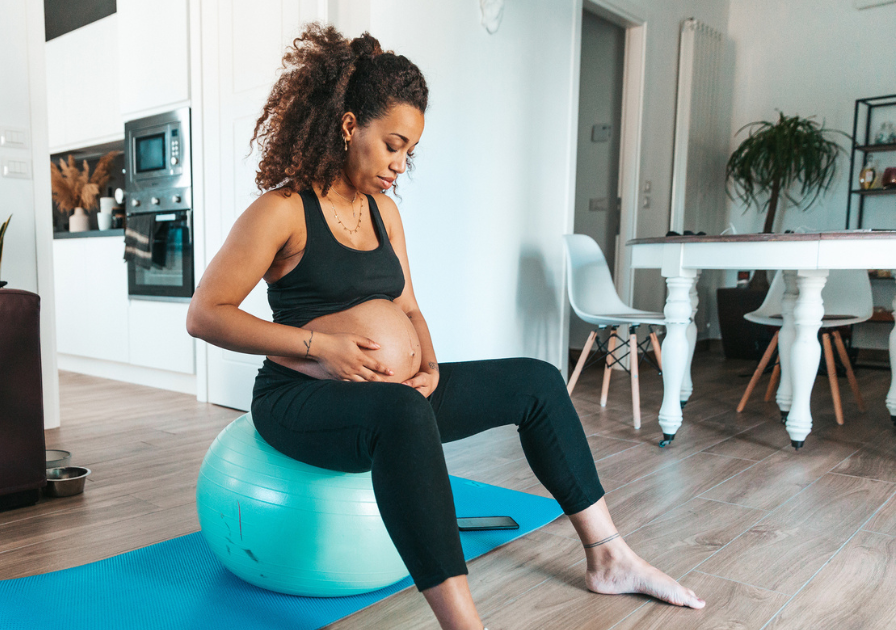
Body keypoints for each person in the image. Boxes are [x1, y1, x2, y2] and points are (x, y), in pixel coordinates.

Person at [185, 22, 704, 630]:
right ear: (351, 126)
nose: (401, 165)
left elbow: (407, 305)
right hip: (302, 398)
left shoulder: (384, 212)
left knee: (537, 381)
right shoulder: (281, 211)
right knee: (399, 414)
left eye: (409, 151)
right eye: (393, 145)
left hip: (393, 396)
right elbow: (206, 314)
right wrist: (320, 345)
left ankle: (609, 556)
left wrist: (427, 366)